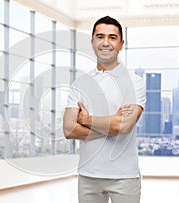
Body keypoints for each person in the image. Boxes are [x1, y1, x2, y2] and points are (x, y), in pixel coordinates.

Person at [63, 16, 146, 203]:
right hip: (88, 175)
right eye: (100, 37)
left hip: (124, 176)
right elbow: (69, 130)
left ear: (121, 44)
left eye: (112, 37)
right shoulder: (80, 84)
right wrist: (110, 126)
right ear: (92, 42)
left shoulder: (134, 82)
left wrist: (86, 120)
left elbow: (124, 126)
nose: (105, 42)